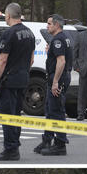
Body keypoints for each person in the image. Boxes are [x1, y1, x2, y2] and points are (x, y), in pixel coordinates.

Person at [0, 2, 34, 162]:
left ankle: (10, 149)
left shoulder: (9, 33)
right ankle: (14, 146)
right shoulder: (29, 33)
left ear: (8, 15)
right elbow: (31, 59)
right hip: (23, 79)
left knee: (7, 115)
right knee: (16, 115)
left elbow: (2, 60)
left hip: (9, 80)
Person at [34, 14, 73, 156]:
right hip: (59, 77)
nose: (47, 26)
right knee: (50, 109)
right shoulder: (65, 37)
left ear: (57, 25)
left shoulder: (58, 40)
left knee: (56, 110)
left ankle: (60, 143)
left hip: (59, 78)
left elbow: (61, 61)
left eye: (49, 24)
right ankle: (47, 140)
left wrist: (56, 82)